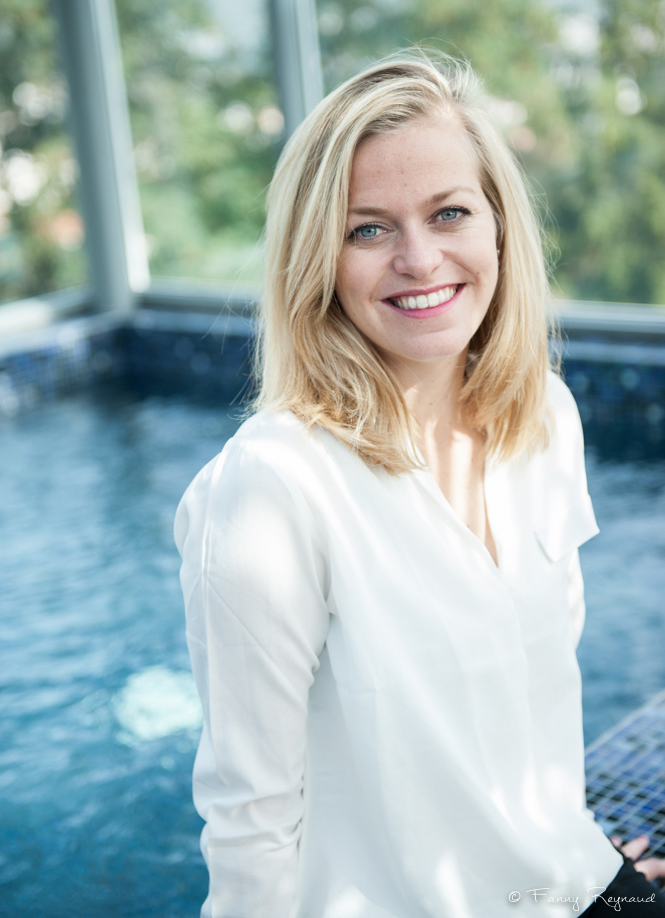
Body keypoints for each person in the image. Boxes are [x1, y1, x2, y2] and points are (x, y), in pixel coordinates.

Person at [175, 53, 665, 917]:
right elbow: (248, 820)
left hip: (576, 886)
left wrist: (571, 852)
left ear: (499, 227)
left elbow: (532, 701)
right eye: (368, 229)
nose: (418, 257)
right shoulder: (272, 486)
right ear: (316, 259)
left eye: (449, 213)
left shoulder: (543, 416)